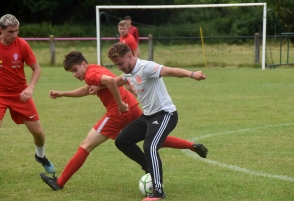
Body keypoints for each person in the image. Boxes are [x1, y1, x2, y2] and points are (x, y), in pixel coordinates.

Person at [39, 51, 207, 191]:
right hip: (132, 106)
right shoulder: (94, 69)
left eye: (76, 69)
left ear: (84, 64)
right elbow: (88, 89)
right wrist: (63, 94)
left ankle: (59, 183)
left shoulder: (90, 74)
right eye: (72, 72)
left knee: (86, 145)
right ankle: (190, 146)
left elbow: (110, 81)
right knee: (153, 136)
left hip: (118, 111)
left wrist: (119, 104)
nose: (75, 74)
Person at [105, 42, 207, 201]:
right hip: (148, 116)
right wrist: (98, 88)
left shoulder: (146, 67)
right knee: (122, 141)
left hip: (165, 114)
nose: (119, 67)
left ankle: (158, 192)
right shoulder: (128, 72)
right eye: (116, 64)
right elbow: (118, 80)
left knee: (150, 145)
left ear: (130, 56)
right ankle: (149, 167)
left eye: (121, 63)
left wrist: (192, 74)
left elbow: (170, 71)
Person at [0, 14, 55, 174]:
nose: (14, 35)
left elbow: (37, 68)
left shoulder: (22, 45)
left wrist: (30, 87)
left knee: (38, 132)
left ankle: (41, 156)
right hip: (1, 95)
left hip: (21, 94)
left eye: (16, 31)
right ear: (1, 30)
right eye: (10, 32)